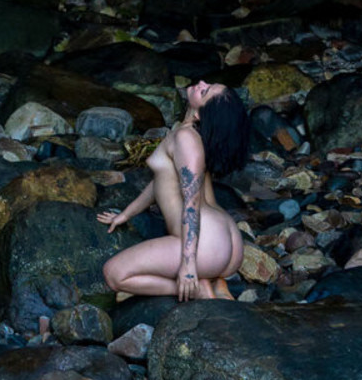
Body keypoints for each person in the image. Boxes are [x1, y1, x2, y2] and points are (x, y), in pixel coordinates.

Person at [98, 79, 250, 301]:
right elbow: (163, 180)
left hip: (206, 247)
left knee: (114, 274)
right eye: (207, 84)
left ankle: (197, 289)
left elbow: (191, 202)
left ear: (200, 115)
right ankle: (213, 280)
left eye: (205, 91)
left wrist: (188, 266)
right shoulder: (194, 135)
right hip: (224, 241)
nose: (201, 83)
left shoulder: (186, 139)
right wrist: (126, 214)